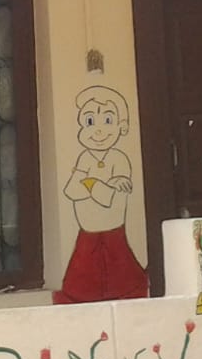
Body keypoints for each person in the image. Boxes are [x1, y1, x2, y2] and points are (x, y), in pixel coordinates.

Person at [53, 86, 148, 303]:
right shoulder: (85, 159)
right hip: (88, 229)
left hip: (112, 226)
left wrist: (92, 185)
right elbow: (72, 189)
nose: (98, 130)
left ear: (121, 127)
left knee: (120, 267)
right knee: (83, 271)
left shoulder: (119, 158)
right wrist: (94, 184)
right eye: (89, 121)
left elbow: (114, 192)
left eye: (107, 120)